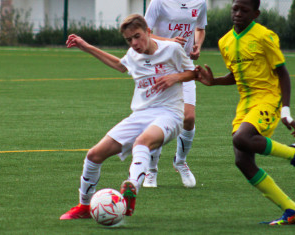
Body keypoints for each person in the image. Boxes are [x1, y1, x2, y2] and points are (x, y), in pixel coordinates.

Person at [195, 0, 295, 225]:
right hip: (246, 103)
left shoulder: (265, 36)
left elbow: (282, 73)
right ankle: (293, 209)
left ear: (256, 14)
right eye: (235, 8)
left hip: (268, 98)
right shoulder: (225, 41)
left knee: (241, 138)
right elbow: (236, 75)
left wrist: (285, 111)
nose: (238, 13)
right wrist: (213, 82)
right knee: (242, 161)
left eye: (244, 10)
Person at [60, 14, 196, 220]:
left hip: (169, 114)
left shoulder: (172, 50)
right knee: (94, 155)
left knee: (142, 142)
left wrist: (175, 77)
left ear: (149, 32)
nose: (134, 43)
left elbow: (194, 73)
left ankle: (131, 189)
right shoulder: (133, 54)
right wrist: (85, 46)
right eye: (129, 40)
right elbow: (120, 65)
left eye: (137, 36)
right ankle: (84, 206)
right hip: (140, 115)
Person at [142, 0, 207, 188]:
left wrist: (197, 43)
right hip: (159, 67)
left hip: (185, 66)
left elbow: (200, 27)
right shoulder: (159, 1)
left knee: (188, 118)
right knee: (159, 120)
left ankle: (180, 162)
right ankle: (151, 170)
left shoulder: (199, 2)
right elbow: (146, 33)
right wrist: (168, 42)